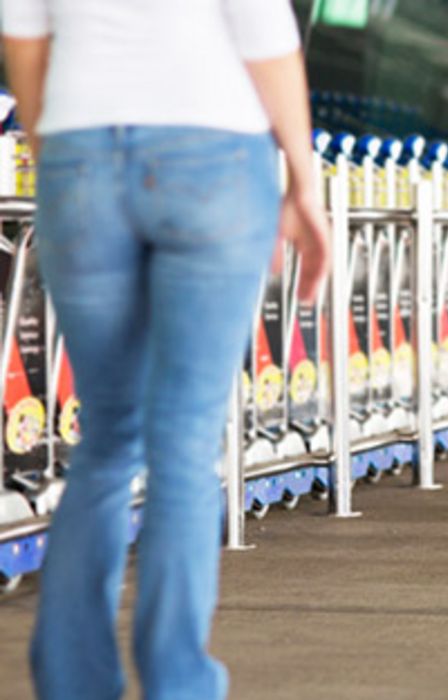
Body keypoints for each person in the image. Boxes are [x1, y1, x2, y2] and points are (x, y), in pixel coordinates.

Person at [2, 1, 329, 697]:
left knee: (106, 438)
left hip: (79, 151)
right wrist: (304, 181)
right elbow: (265, 35)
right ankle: (177, 681)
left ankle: (72, 682)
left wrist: (55, 152)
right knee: (182, 440)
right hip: (211, 150)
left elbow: (23, 37)